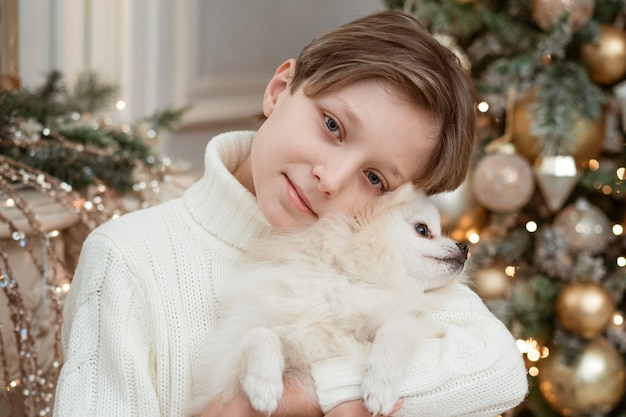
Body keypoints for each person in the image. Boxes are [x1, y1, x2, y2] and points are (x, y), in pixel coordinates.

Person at [53, 9, 528, 417]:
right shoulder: (128, 259)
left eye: (375, 178)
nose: (332, 178)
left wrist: (308, 390)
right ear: (279, 90)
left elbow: (499, 368)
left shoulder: (377, 258)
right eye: (332, 126)